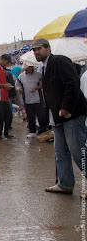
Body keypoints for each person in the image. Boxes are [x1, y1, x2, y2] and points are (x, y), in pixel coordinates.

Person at [32, 38, 87, 194]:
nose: (36, 52)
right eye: (34, 50)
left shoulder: (60, 61)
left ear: (48, 49)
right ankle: (65, 183)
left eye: (39, 49)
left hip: (71, 114)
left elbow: (72, 83)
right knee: (61, 151)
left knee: (78, 149)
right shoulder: (44, 67)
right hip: (57, 117)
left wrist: (66, 107)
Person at [15, 64, 47, 137]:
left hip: (38, 99)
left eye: (27, 68)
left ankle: (42, 129)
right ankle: (32, 130)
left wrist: (36, 87)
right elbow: (17, 85)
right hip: (27, 99)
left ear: (31, 67)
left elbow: (44, 84)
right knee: (30, 116)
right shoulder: (21, 76)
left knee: (41, 115)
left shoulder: (39, 75)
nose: (26, 70)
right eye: (25, 69)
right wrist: (19, 89)